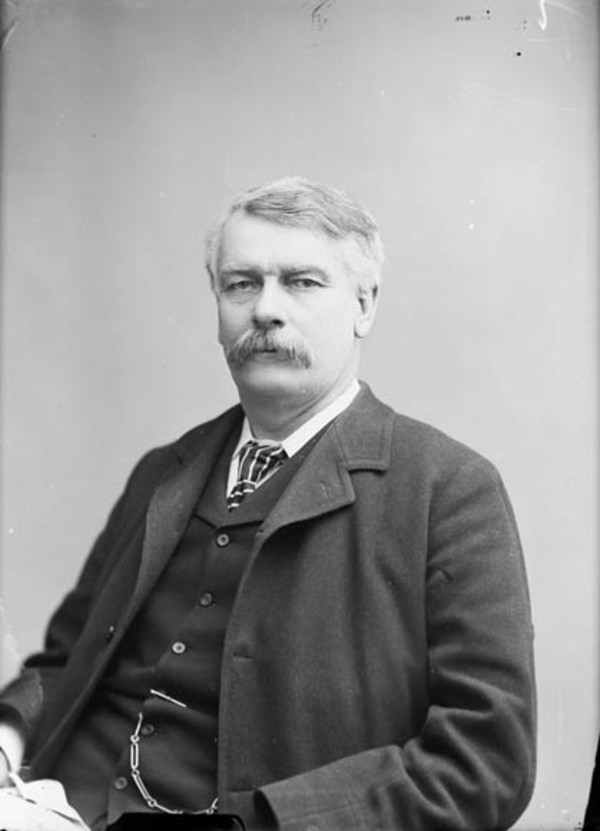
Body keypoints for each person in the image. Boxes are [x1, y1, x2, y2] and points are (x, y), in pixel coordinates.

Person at [0, 176, 536, 830]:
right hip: (44, 803)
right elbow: (66, 660)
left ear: (364, 304)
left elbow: (485, 761)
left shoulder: (448, 489)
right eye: (241, 284)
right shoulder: (163, 472)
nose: (265, 310)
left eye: (302, 282)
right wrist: (6, 740)